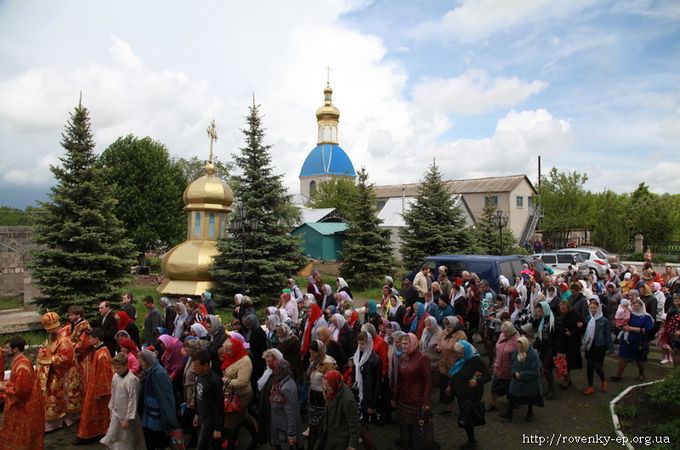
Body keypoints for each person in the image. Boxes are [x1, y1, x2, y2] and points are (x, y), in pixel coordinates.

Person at [0, 335, 45, 450]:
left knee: (22, 435)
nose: (5, 350)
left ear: (15, 349)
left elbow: (21, 391)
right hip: (25, 403)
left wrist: (4, 388)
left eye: (7, 348)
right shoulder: (18, 361)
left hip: (25, 407)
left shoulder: (22, 366)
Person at [447, 340, 491, 449]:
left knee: (468, 417)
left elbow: (488, 376)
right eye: (458, 353)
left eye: (462, 353)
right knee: (465, 415)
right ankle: (471, 439)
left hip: (472, 395)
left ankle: (472, 441)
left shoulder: (477, 361)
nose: (460, 356)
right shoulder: (462, 359)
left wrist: (477, 381)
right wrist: (450, 385)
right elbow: (455, 373)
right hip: (461, 394)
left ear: (466, 350)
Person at [36, 311, 75, 432]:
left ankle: (57, 420)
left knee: (54, 394)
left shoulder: (64, 341)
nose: (47, 332)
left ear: (55, 328)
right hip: (54, 371)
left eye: (49, 329)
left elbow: (65, 359)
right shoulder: (53, 338)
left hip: (63, 373)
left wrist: (48, 359)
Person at [392, 333, 431, 450]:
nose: (403, 346)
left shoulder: (422, 359)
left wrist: (426, 402)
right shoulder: (403, 357)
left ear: (413, 344)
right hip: (403, 400)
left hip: (416, 400)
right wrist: (395, 398)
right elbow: (399, 380)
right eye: (402, 343)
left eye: (406, 343)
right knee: (403, 427)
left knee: (416, 430)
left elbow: (428, 382)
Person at [101, 352, 144, 450]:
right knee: (113, 437)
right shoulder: (115, 376)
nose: (116, 370)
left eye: (118, 368)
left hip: (127, 416)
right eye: (115, 368)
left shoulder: (132, 380)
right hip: (116, 413)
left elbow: (133, 400)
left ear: (126, 366)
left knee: (127, 439)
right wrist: (111, 409)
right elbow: (113, 394)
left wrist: (127, 419)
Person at [76, 328, 113, 445]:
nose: (89, 340)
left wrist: (99, 392)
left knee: (93, 411)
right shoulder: (99, 351)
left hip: (98, 391)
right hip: (93, 387)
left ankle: (94, 434)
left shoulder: (102, 354)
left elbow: (104, 375)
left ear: (97, 339)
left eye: (91, 338)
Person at [221, 337, 258, 450]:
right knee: (243, 416)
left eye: (229, 350)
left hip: (241, 395)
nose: (227, 353)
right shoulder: (232, 356)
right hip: (232, 393)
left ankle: (231, 445)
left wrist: (227, 381)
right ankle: (257, 437)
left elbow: (243, 382)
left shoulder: (245, 361)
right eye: (225, 350)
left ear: (236, 348)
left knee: (230, 423)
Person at [138, 349, 178, 450]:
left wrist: (170, 419)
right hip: (149, 414)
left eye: (142, 360)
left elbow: (167, 397)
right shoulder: (148, 371)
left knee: (157, 443)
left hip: (158, 416)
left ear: (147, 360)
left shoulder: (159, 373)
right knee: (149, 442)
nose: (140, 363)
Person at [500, 336, 544, 422]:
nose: (520, 349)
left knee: (529, 398)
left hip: (529, 381)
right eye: (518, 347)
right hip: (516, 379)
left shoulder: (533, 355)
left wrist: (522, 375)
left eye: (522, 347)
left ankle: (530, 412)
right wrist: (515, 372)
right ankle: (509, 413)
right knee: (512, 396)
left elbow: (534, 370)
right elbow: (512, 363)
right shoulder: (516, 352)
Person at [349, 331, 380, 450]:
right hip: (356, 396)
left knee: (363, 427)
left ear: (369, 343)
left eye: (364, 344)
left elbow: (377, 383)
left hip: (367, 398)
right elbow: (353, 375)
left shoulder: (375, 359)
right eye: (359, 344)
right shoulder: (356, 356)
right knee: (361, 426)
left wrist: (372, 404)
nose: (361, 346)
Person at [314, 370, 359, 450]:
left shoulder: (348, 400)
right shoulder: (333, 390)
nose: (325, 388)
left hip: (340, 440)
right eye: (324, 385)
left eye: (328, 386)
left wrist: (352, 446)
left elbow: (354, 424)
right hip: (329, 435)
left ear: (334, 384)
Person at [611, 298, 654, 382]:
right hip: (627, 339)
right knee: (623, 356)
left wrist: (631, 328)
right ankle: (618, 374)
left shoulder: (646, 317)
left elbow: (647, 330)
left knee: (639, 358)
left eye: (637, 306)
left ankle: (641, 374)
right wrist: (621, 326)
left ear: (641, 306)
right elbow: (621, 321)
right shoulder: (628, 313)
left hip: (639, 340)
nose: (635, 307)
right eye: (634, 305)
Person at [305, 339, 338, 449]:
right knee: (313, 427)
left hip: (324, 400)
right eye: (310, 353)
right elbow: (310, 379)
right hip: (314, 398)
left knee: (323, 428)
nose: (312, 355)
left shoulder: (328, 363)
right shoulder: (314, 361)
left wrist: (329, 400)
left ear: (320, 351)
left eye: (313, 353)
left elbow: (331, 384)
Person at [190, 349, 224, 450]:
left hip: (210, 420)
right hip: (202, 416)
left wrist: (218, 428)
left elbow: (219, 405)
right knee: (213, 445)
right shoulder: (198, 376)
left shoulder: (214, 380)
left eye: (196, 365)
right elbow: (198, 396)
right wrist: (196, 413)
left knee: (201, 445)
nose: (193, 368)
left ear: (205, 365)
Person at [582, 299, 614, 395]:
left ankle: (603, 380)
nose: (592, 309)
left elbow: (608, 336)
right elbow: (584, 331)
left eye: (594, 308)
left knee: (597, 366)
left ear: (598, 308)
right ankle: (590, 386)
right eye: (591, 308)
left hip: (600, 346)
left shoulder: (604, 321)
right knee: (589, 366)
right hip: (589, 346)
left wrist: (611, 349)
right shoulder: (587, 319)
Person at [435, 316, 466, 416]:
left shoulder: (461, 335)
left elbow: (462, 350)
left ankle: (463, 407)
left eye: (449, 326)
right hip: (444, 364)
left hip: (455, 365)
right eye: (446, 325)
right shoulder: (444, 332)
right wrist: (438, 348)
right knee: (445, 386)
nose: (447, 328)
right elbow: (439, 343)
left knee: (457, 388)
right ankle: (447, 408)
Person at [269, 360, 303, 450]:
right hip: (280, 426)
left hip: (285, 429)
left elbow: (292, 413)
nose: (273, 372)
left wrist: (291, 434)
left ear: (281, 370)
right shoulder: (282, 380)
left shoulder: (286, 388)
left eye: (275, 370)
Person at [67, 305, 92, 420]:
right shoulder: (75, 325)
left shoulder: (84, 326)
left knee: (84, 379)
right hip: (77, 356)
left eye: (72, 314)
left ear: (78, 315)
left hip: (83, 357)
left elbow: (84, 343)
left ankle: (87, 405)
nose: (69, 316)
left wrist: (73, 349)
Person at [489, 321, 520, 411]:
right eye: (503, 332)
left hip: (509, 369)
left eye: (506, 332)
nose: (504, 334)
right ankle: (492, 404)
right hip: (498, 366)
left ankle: (512, 406)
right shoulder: (502, 335)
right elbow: (498, 349)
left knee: (510, 388)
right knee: (494, 386)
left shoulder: (517, 340)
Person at [256, 349, 284, 447]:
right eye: (266, 361)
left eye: (269, 361)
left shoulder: (280, 374)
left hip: (274, 409)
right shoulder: (268, 370)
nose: (267, 363)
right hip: (266, 404)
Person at [555, 300, 583, 390]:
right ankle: (567, 379)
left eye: (564, 309)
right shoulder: (559, 315)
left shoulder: (576, 315)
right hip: (562, 341)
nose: (562, 310)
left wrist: (572, 332)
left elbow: (581, 326)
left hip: (571, 343)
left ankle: (566, 380)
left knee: (568, 362)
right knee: (563, 361)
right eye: (561, 309)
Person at [532, 300, 556, 399]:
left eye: (540, 311)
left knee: (545, 368)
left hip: (551, 348)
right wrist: (535, 319)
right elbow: (536, 330)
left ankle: (551, 389)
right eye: (538, 311)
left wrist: (559, 350)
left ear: (545, 310)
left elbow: (557, 337)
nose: (539, 313)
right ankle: (550, 387)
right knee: (547, 369)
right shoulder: (541, 320)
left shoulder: (554, 321)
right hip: (543, 347)